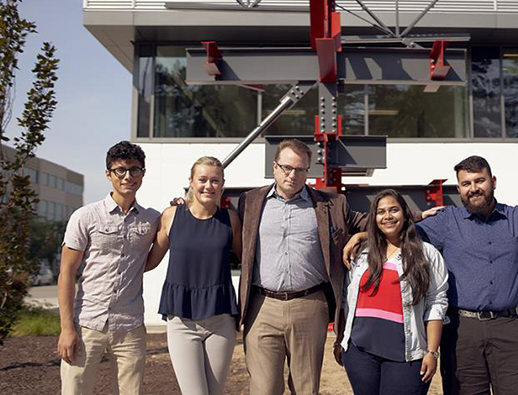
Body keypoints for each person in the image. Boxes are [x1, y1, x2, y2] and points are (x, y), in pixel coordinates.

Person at [344, 155, 518, 395]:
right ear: (459, 189)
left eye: (479, 180)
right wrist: (364, 235)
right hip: (462, 331)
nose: (473, 188)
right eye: (466, 183)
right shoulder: (447, 221)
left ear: (492, 181)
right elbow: (400, 232)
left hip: (507, 327)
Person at [236, 138, 368, 395]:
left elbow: (377, 223)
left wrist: (361, 235)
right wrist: (183, 204)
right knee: (263, 389)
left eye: (300, 169)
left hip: (310, 306)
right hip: (262, 307)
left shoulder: (331, 205)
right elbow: (216, 219)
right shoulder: (250, 201)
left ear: (308, 171)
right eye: (286, 167)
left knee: (306, 389)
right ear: (274, 167)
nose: (292, 175)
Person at [57, 141, 160, 395]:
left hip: (130, 326)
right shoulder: (85, 216)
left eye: (135, 170)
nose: (128, 176)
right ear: (108, 174)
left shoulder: (153, 219)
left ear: (143, 174)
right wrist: (67, 328)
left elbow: (148, 262)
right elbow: (66, 273)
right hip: (87, 323)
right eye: (120, 170)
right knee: (74, 390)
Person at [333, 189, 449, 395]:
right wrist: (341, 339)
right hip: (360, 353)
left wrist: (432, 352)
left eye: (393, 210)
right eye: (381, 212)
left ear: (405, 214)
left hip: (406, 355)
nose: (387, 216)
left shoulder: (426, 254)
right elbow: (346, 300)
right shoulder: (361, 253)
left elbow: (436, 303)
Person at [144, 156, 242, 395]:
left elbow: (249, 263)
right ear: (190, 182)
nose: (208, 186)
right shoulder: (171, 216)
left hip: (221, 320)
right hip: (182, 320)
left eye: (215, 181)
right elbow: (148, 261)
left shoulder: (230, 219)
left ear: (222, 185)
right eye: (202, 179)